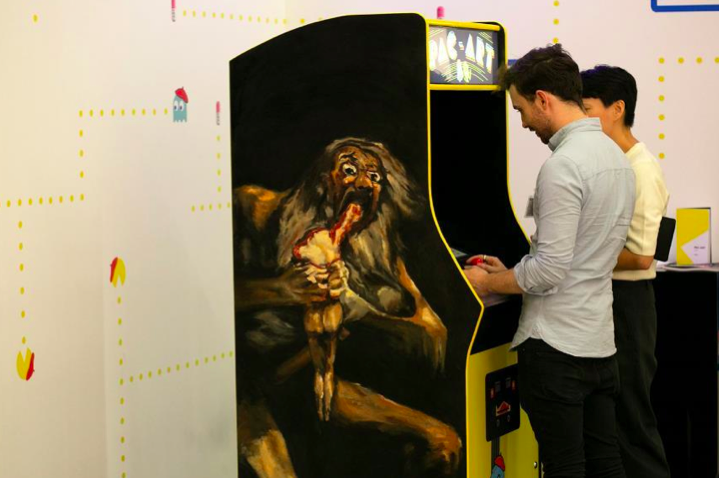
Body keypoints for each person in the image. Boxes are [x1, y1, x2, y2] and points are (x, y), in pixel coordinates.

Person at [462, 44, 635, 477]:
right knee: (607, 464)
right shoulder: (615, 157)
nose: (523, 123)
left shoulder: (563, 166)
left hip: (556, 349)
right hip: (600, 342)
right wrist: (511, 273)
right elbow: (583, 254)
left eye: (521, 110)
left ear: (542, 99)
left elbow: (549, 270)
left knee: (565, 469)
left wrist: (487, 283)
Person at [581, 65, 671, 478]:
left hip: (630, 308)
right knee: (610, 427)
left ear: (616, 109)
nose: (582, 120)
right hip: (609, 304)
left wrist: (576, 251)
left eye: (588, 109)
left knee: (632, 423)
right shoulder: (614, 163)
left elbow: (641, 256)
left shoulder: (641, 168)